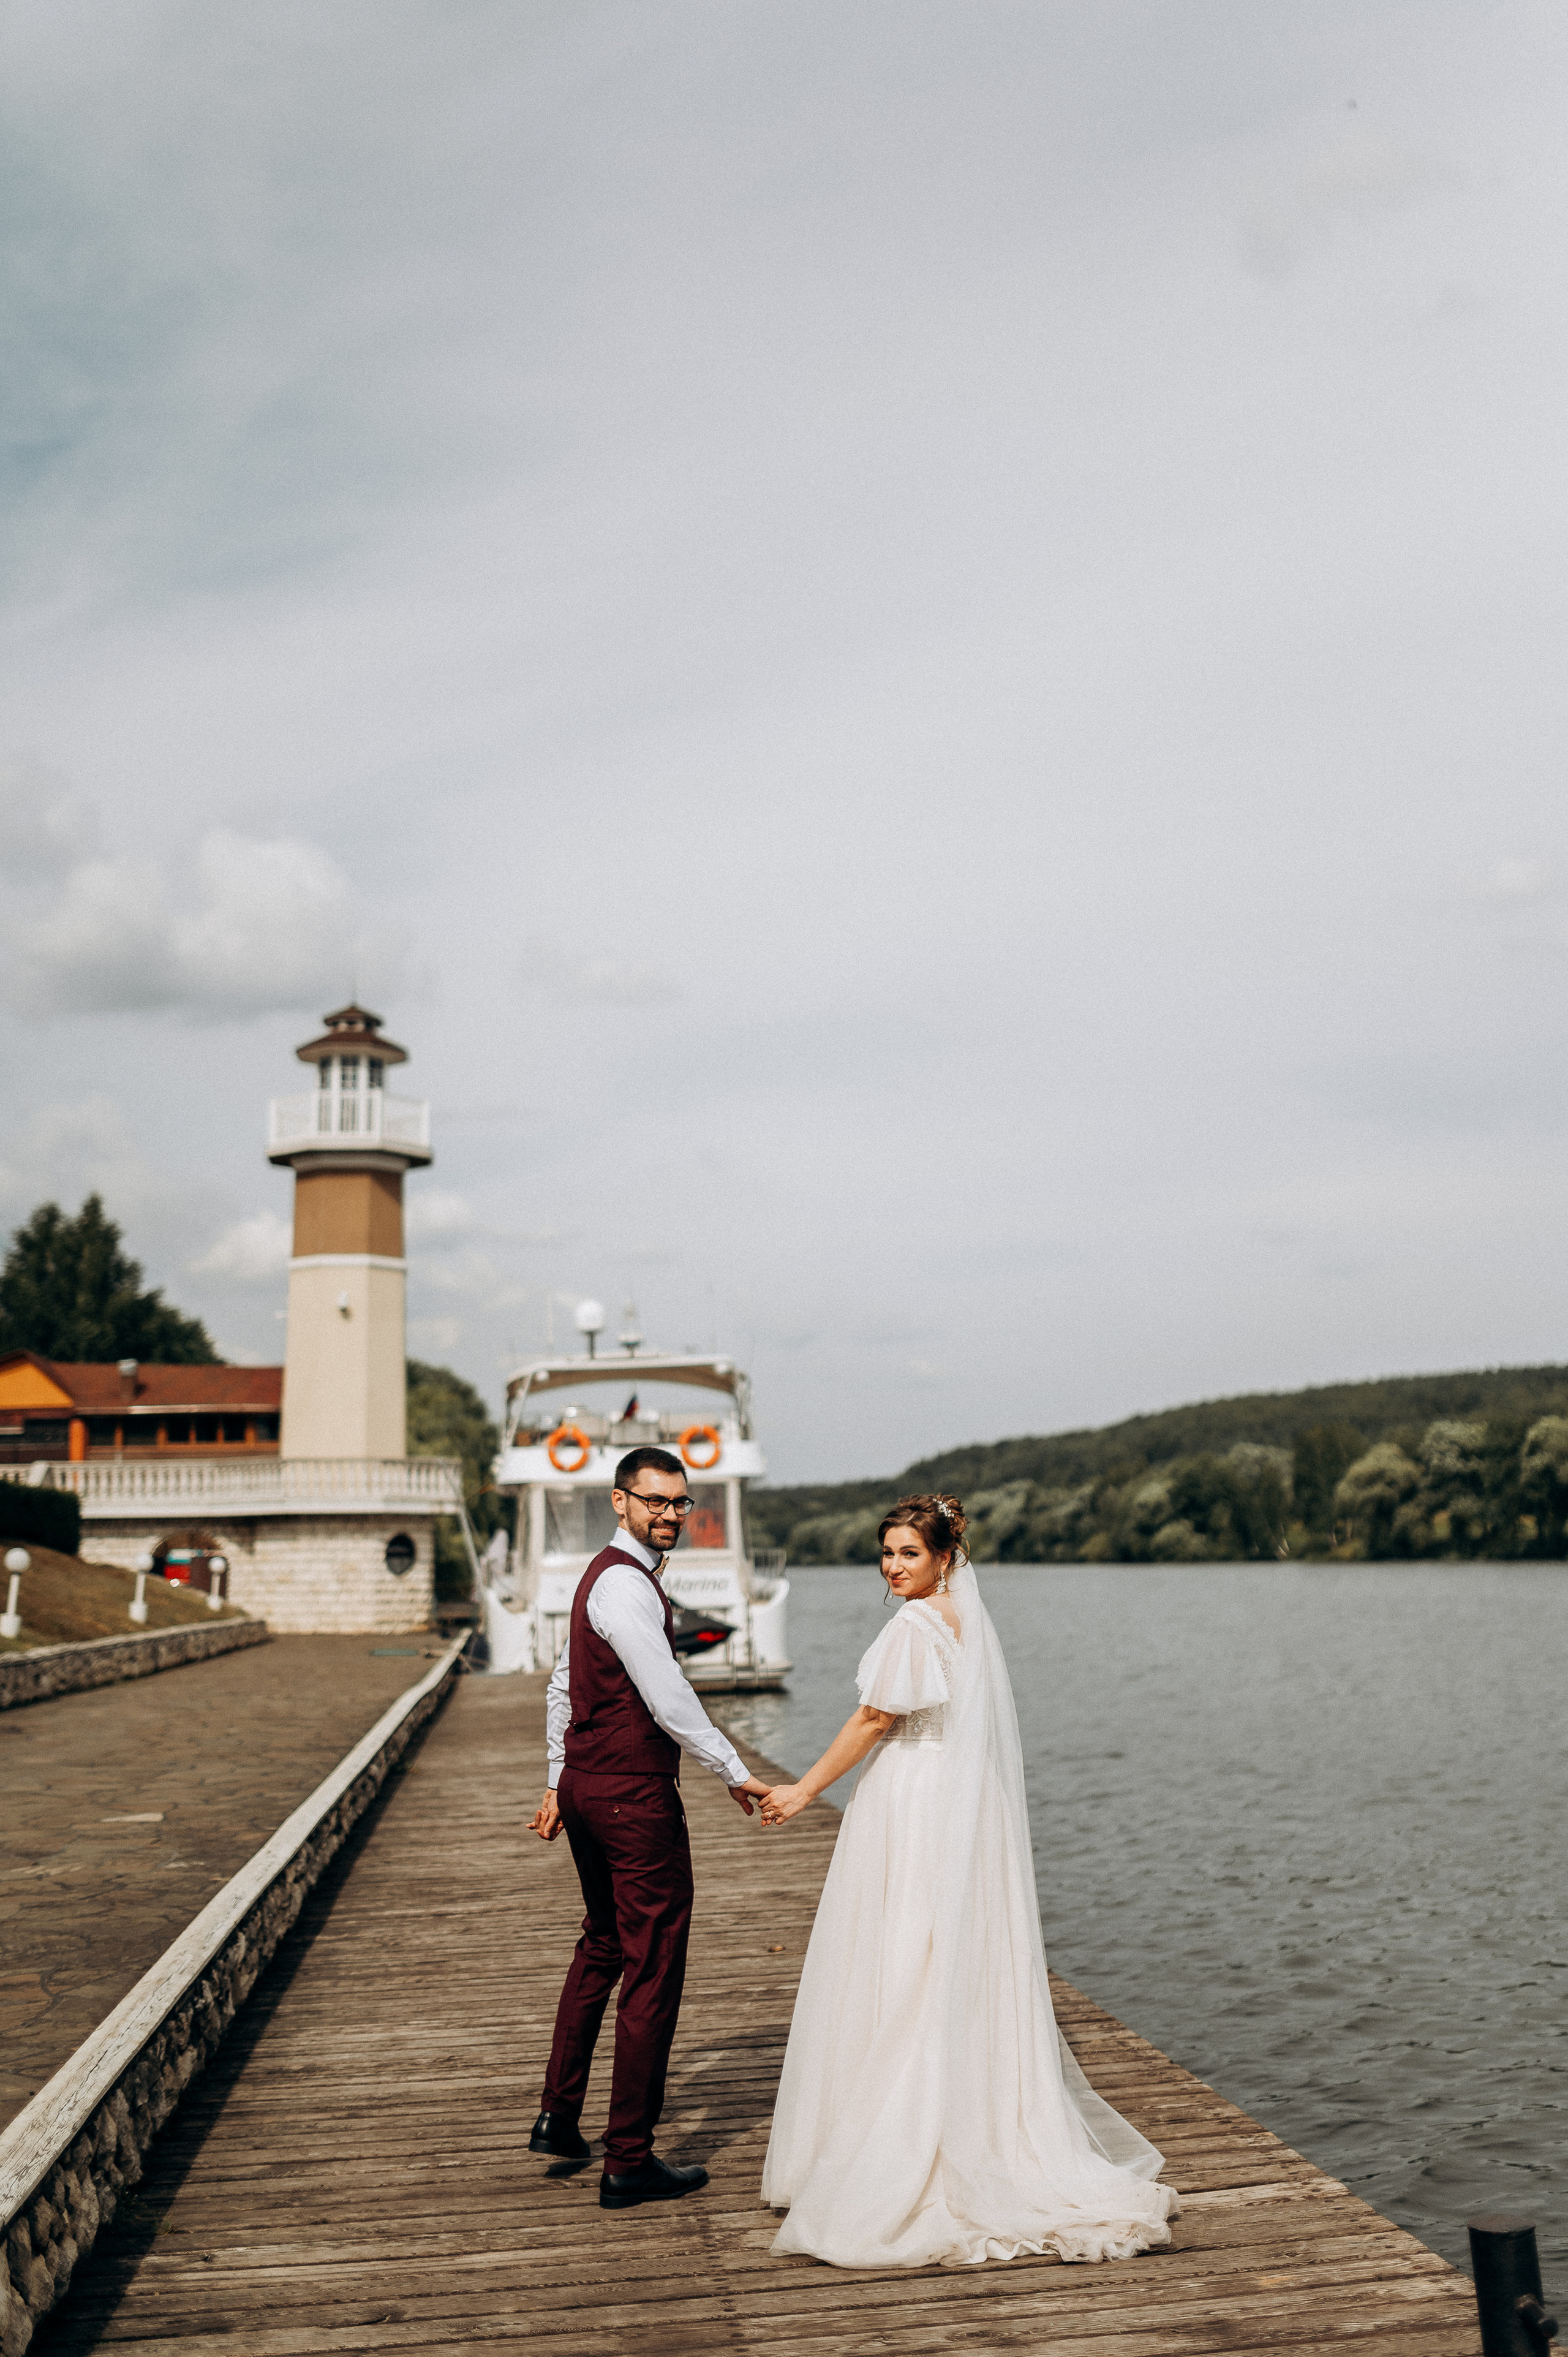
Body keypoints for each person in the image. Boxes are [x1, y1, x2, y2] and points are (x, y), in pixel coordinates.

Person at [758, 1493, 1178, 2269]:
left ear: (945, 1557)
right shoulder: (963, 1619)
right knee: (937, 1952)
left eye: (908, 1553)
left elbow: (874, 1721)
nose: (893, 1566)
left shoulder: (915, 1624)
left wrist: (802, 1790)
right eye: (885, 1553)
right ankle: (961, 2112)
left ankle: (903, 2140)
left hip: (914, 1799)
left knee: (902, 1953)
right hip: (957, 1794)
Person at [529, 1446, 771, 2211]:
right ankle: (628, 2158)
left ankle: (559, 2118)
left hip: (588, 1786)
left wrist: (555, 1776)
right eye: (654, 1500)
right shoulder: (627, 1587)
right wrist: (732, 1769)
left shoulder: (601, 1578)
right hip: (631, 1795)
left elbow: (564, 1684)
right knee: (653, 1964)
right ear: (620, 1501)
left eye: (678, 1502)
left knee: (602, 1942)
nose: (670, 1514)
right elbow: (666, 1695)